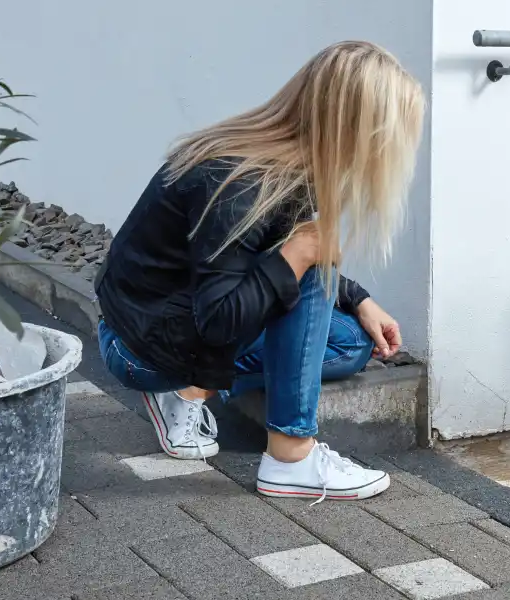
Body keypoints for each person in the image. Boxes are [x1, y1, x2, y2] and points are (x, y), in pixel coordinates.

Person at [93, 40, 424, 503]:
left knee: (351, 342)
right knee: (307, 269)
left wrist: (358, 298)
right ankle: (291, 458)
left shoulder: (283, 164)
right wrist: (302, 254)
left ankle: (189, 394)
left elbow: (258, 254)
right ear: (354, 129)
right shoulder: (238, 182)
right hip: (140, 348)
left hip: (169, 321)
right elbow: (219, 319)